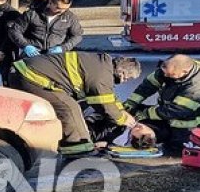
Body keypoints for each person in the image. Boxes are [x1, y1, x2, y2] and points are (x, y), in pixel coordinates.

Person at [8, 51, 142, 157]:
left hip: (24, 72)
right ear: (122, 72)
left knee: (67, 106)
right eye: (128, 78)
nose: (126, 81)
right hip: (30, 77)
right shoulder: (101, 76)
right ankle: (76, 148)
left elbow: (110, 97)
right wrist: (122, 119)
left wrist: (122, 111)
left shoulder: (103, 65)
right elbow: (104, 105)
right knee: (69, 108)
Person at [123, 54, 200, 154]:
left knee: (175, 148)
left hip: (193, 120)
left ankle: (168, 148)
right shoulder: (169, 68)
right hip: (173, 109)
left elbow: (175, 111)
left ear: (184, 72)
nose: (165, 76)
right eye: (165, 73)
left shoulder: (199, 86)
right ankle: (145, 139)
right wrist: (131, 103)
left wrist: (144, 114)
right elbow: (148, 86)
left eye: (169, 75)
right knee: (134, 113)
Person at [8, 0, 83, 58]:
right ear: (50, 3)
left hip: (57, 55)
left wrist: (63, 48)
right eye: (58, 8)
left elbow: (77, 35)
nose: (62, 11)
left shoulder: (70, 17)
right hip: (32, 54)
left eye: (65, 9)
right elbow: (14, 31)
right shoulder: (32, 14)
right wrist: (25, 46)